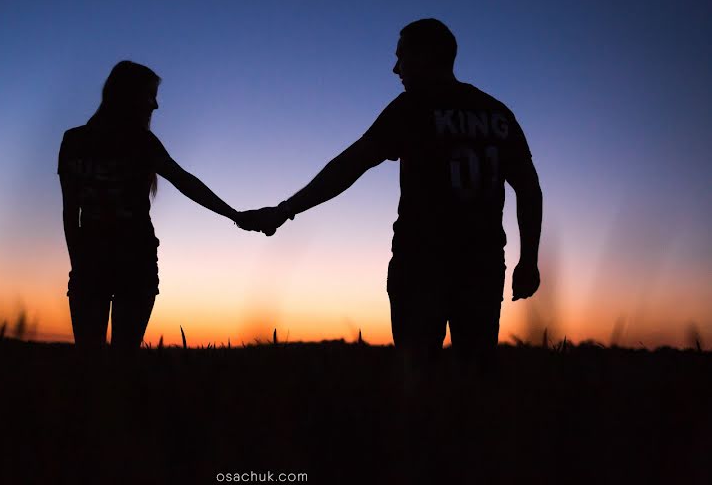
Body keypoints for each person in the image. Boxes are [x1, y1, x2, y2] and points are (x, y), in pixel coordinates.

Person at [237, 19, 542, 369]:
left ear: (427, 56)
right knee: (475, 373)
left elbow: (350, 165)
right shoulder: (497, 113)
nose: (396, 68)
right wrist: (529, 258)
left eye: (402, 57)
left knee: (415, 372)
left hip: (421, 260)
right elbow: (529, 190)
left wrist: (286, 209)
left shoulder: (413, 107)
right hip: (482, 263)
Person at [58, 61, 239, 351]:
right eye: (150, 95)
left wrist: (78, 263)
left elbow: (71, 213)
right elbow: (185, 181)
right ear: (129, 96)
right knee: (120, 361)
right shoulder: (139, 142)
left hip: (104, 260)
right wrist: (236, 215)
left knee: (90, 361)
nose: (155, 105)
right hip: (130, 260)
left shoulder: (76, 140)